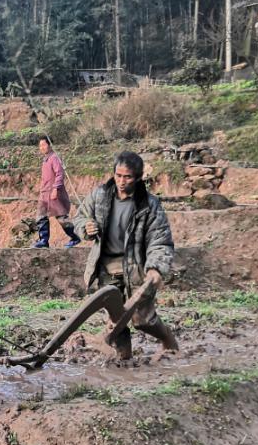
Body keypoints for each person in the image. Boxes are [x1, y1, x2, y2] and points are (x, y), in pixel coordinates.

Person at [74, 151, 179, 359]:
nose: (122, 181)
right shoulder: (100, 196)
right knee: (116, 320)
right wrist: (86, 227)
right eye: (118, 175)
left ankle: (168, 339)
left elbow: (160, 239)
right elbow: (79, 218)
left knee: (143, 320)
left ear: (138, 178)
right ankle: (124, 358)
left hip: (136, 268)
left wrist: (155, 267)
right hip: (106, 268)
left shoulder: (149, 205)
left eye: (128, 177)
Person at [33, 135, 79, 248]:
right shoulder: (45, 160)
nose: (42, 147)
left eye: (44, 145)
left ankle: (75, 237)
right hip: (44, 194)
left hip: (54, 194)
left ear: (49, 145)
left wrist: (55, 189)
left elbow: (59, 174)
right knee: (41, 216)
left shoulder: (54, 158)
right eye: (40, 146)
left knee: (61, 217)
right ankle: (43, 241)